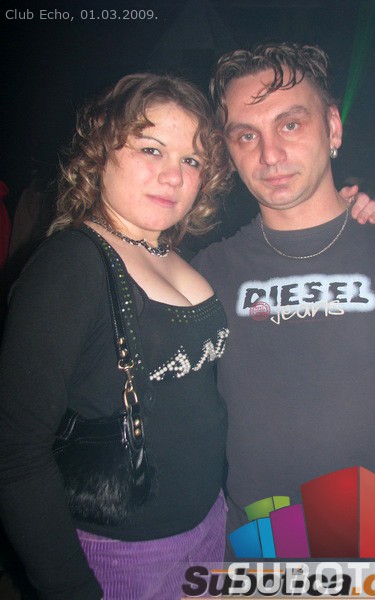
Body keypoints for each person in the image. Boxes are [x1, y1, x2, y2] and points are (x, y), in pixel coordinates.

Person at [192, 43, 375, 560]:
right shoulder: (204, 276)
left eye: (290, 124)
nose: (269, 155)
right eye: (247, 135)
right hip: (263, 565)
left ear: (333, 127)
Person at [0, 73, 232, 600]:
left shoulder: (173, 254)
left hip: (208, 525)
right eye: (151, 149)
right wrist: (67, 586)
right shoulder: (71, 264)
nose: (172, 175)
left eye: (192, 160)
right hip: (127, 556)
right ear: (101, 149)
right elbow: (16, 452)